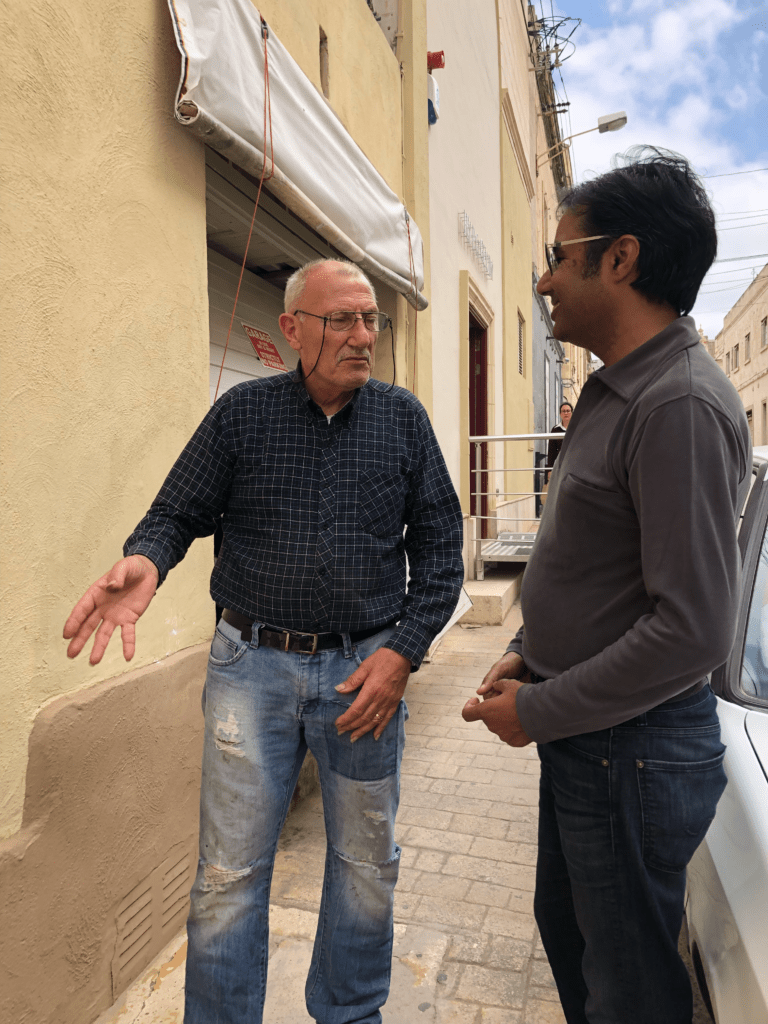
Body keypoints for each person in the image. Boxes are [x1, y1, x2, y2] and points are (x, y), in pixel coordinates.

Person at [63, 258, 464, 1024]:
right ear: (291, 330)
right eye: (340, 319)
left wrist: (403, 653)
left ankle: (350, 1014)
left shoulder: (402, 419)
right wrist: (145, 561)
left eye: (370, 319)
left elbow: (442, 551)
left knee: (365, 867)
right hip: (251, 671)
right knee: (228, 873)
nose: (361, 336)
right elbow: (176, 512)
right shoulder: (242, 415)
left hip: (364, 676)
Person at [462, 148, 751, 1024]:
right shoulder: (618, 391)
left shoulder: (678, 406)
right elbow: (589, 561)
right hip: (594, 744)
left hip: (632, 754)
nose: (545, 281)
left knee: (628, 991)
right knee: (580, 943)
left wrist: (541, 710)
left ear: (619, 258)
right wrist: (525, 653)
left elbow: (693, 628)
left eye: (558, 255)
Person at [546, 400, 572, 479]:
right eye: (563, 411)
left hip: (574, 463)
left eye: (568, 411)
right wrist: (549, 470)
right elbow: (551, 451)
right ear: (560, 414)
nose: (566, 413)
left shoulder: (576, 428)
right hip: (560, 464)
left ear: (571, 413)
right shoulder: (555, 429)